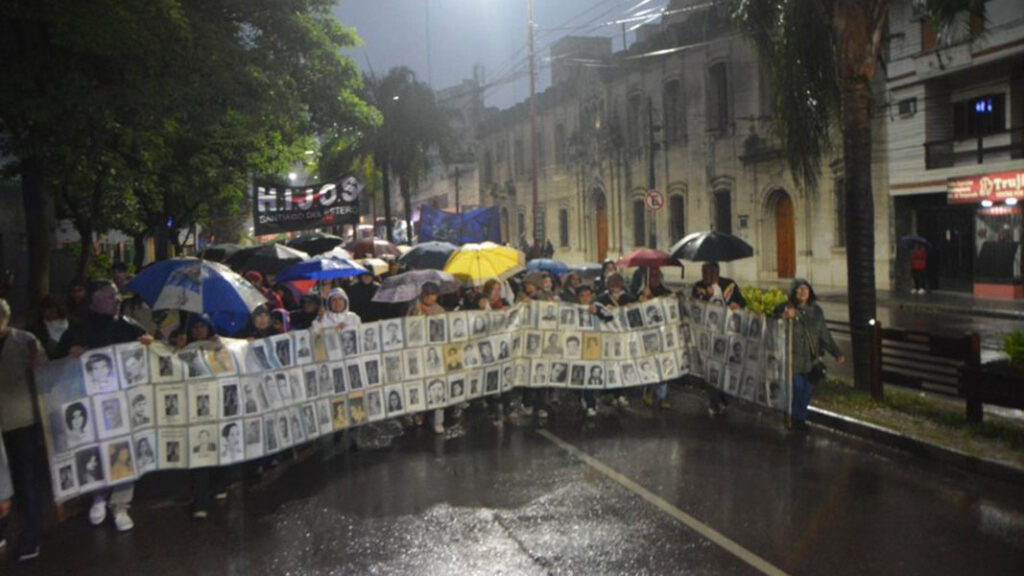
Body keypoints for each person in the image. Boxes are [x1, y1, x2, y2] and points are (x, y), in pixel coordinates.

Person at [56, 282, 152, 533]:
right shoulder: (78, 329)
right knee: (96, 452)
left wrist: (149, 344)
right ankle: (98, 497)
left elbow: (153, 354)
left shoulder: (129, 326)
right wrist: (69, 354)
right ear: (95, 300)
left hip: (125, 406)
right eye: (111, 296)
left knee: (125, 451)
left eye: (118, 295)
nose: (117, 299)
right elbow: (53, 364)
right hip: (92, 408)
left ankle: (120, 505)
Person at [0, 299, 46, 561]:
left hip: (21, 421)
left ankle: (31, 535)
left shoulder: (25, 341)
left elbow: (44, 373)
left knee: (26, 480)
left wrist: (37, 364)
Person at [775, 279, 845, 432]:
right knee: (798, 388)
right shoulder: (786, 308)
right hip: (792, 360)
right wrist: (784, 317)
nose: (803, 292)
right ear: (793, 293)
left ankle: (800, 419)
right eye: (799, 289)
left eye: (805, 289)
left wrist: (836, 353)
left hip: (811, 360)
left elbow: (824, 334)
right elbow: (772, 323)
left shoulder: (816, 311)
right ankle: (791, 415)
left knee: (807, 391)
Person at [692, 262, 746, 416]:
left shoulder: (729, 285)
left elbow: (742, 302)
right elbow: (694, 307)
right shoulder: (698, 287)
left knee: (725, 368)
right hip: (708, 337)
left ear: (716, 271)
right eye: (703, 271)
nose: (704, 274)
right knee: (712, 369)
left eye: (708, 271)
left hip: (727, 336)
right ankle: (713, 401)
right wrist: (707, 296)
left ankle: (722, 395)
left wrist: (737, 305)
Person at [408, 283, 448, 433]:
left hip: (436, 352)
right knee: (420, 385)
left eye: (433, 294)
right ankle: (420, 413)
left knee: (438, 384)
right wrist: (414, 316)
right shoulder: (414, 308)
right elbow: (407, 330)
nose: (430, 297)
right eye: (428, 294)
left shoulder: (440, 310)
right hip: (419, 352)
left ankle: (438, 420)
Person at [29, 295, 69, 359]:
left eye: (51, 311)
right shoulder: (36, 328)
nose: (47, 314)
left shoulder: (73, 324)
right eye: (44, 311)